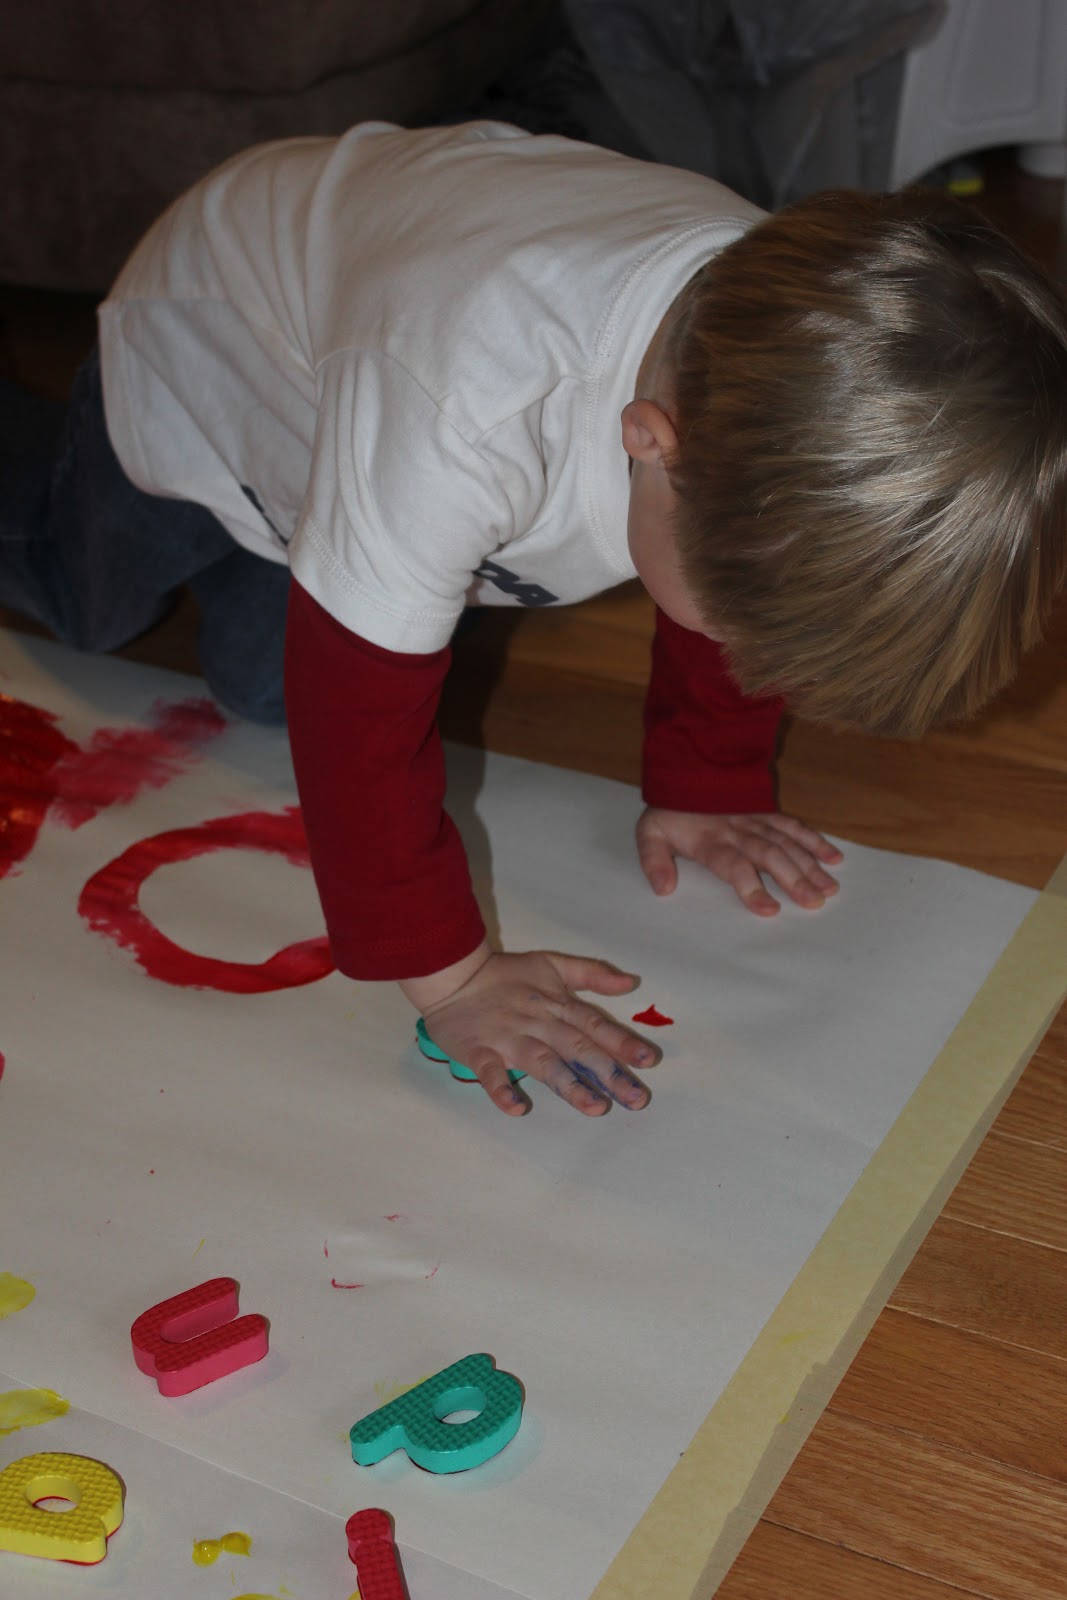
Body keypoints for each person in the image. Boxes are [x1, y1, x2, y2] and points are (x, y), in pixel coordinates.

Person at [3, 121, 1066, 1118]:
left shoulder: (761, 377)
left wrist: (704, 780)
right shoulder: (463, 411)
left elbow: (744, 592)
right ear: (651, 442)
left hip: (345, 416)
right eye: (748, 634)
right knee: (90, 601)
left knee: (256, 682)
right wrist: (453, 975)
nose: (751, 663)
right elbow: (359, 727)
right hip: (203, 356)